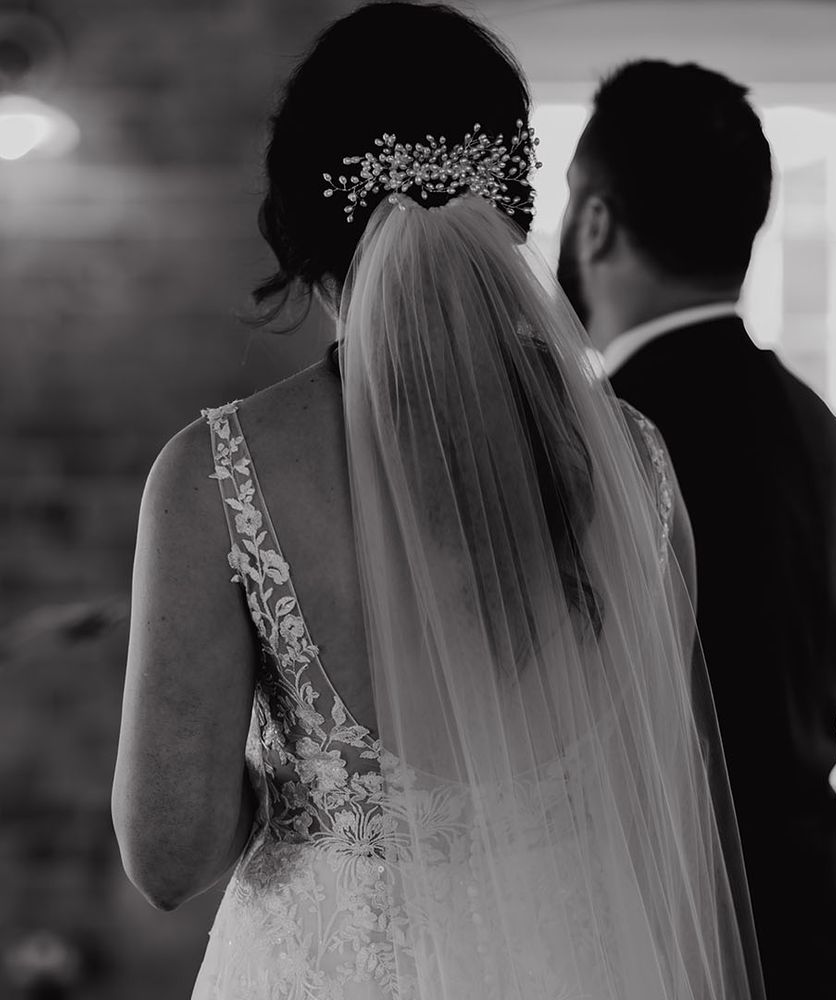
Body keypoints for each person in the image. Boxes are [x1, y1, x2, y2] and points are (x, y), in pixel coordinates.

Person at [111, 6, 765, 999]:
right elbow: (650, 805)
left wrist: (296, 771)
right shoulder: (633, 458)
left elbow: (168, 855)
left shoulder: (218, 472)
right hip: (576, 961)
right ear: (509, 204)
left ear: (300, 210)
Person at [557, 60, 836, 1000]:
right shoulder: (826, 436)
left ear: (595, 220)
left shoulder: (588, 447)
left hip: (668, 948)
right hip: (822, 941)